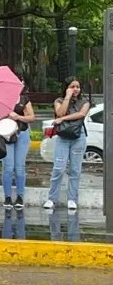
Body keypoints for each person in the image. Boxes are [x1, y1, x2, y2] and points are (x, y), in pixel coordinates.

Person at [46, 76, 90, 211]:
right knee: (58, 168)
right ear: (66, 88)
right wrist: (67, 97)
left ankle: (72, 199)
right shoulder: (59, 100)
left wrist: (63, 119)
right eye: (72, 86)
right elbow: (60, 112)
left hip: (78, 136)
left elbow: (81, 114)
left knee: (75, 169)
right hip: (63, 137)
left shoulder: (84, 101)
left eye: (77, 86)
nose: (75, 89)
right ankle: (51, 198)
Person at [2, 79, 34, 210]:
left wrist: (18, 117)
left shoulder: (24, 100)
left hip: (22, 133)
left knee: (20, 167)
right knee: (8, 167)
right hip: (6, 134)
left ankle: (20, 196)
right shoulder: (2, 99)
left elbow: (31, 117)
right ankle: (7, 197)